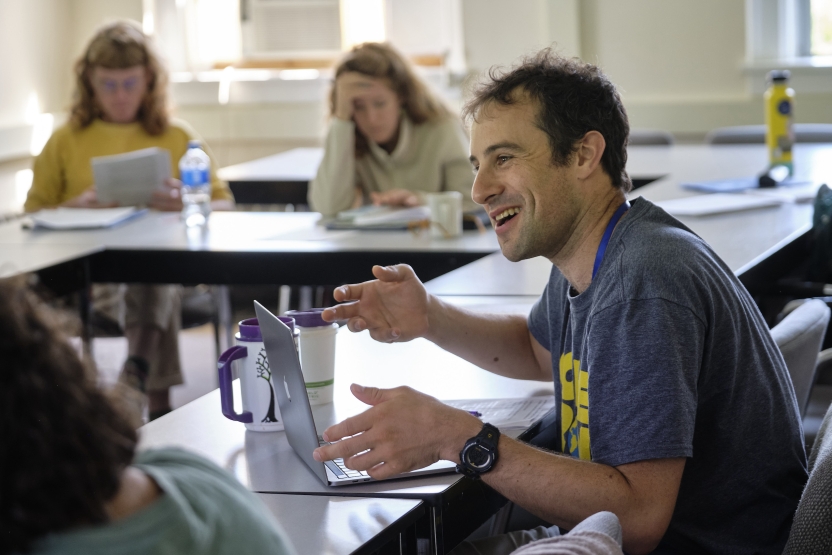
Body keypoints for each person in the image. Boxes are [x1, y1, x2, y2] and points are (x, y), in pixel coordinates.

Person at [313, 51, 807, 554]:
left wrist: (458, 437)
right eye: (478, 164)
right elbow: (539, 348)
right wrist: (431, 317)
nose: (479, 189)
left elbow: (637, 519)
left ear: (582, 155)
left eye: (504, 158)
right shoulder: (598, 249)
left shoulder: (642, 282)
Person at [24, 21, 235, 420]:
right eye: (108, 85)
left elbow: (225, 205)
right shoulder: (65, 140)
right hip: (91, 278)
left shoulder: (177, 136)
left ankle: (136, 376)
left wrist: (186, 201)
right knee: (156, 282)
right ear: (89, 83)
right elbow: (32, 215)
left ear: (150, 81)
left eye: (130, 84)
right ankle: (154, 404)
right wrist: (74, 206)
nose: (120, 96)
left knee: (156, 272)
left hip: (165, 272)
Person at [0, 278, 296, 555]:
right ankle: (143, 383)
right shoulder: (191, 473)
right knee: (156, 284)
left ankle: (140, 377)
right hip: (102, 292)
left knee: (155, 283)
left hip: (120, 287)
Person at [308, 42, 476, 217]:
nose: (371, 118)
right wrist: (341, 117)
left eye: (380, 104)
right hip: (378, 243)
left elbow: (475, 203)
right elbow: (328, 208)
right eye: (358, 107)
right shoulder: (350, 136)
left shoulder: (442, 129)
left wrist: (420, 201)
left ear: (401, 97)